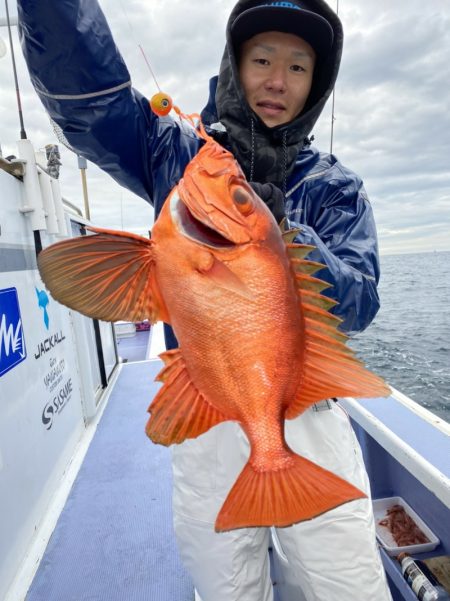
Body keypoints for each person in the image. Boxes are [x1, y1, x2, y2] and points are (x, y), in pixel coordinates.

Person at [18, 0, 392, 599]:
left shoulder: (335, 187)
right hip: (206, 409)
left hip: (308, 413)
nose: (277, 80)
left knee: (350, 586)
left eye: (299, 68)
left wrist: (284, 235)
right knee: (225, 587)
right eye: (262, 59)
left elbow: (360, 302)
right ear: (233, 64)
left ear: (316, 84)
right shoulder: (178, 155)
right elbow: (91, 105)